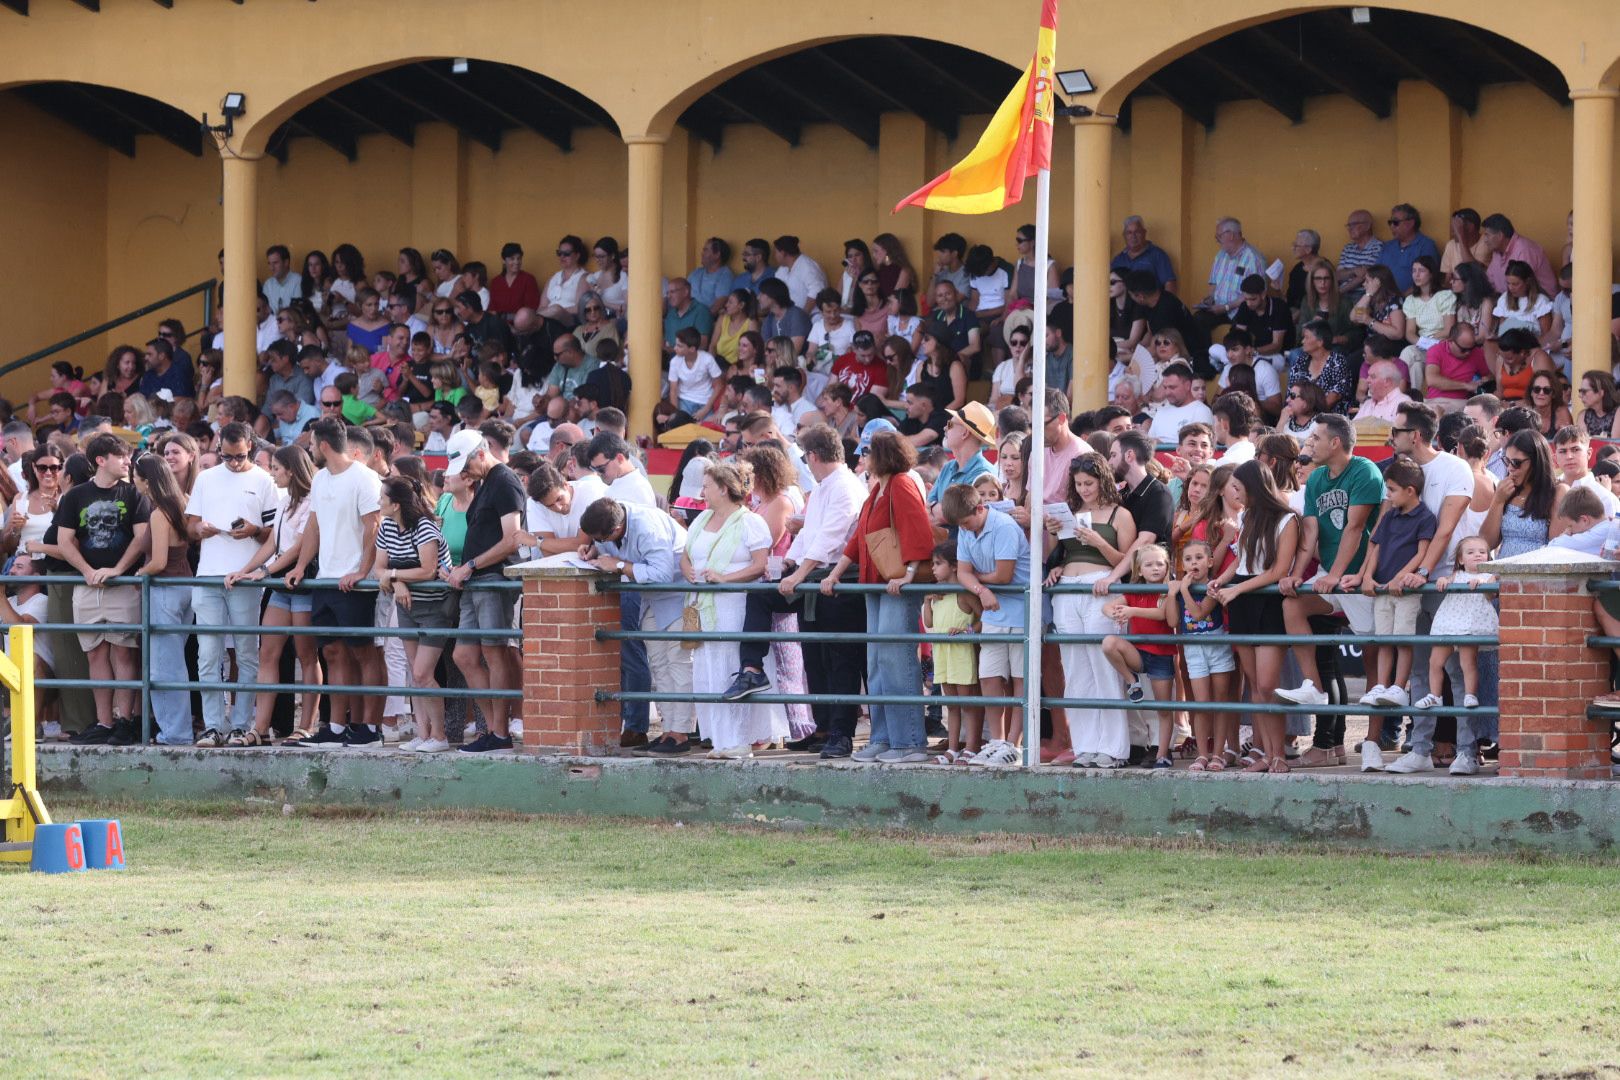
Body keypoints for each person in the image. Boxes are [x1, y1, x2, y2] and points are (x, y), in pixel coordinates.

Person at [719, 426, 867, 758]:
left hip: (837, 582)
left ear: (813, 456)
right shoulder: (825, 486)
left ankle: (841, 732)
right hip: (812, 577)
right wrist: (788, 563)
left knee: (839, 658)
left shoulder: (844, 487)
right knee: (814, 654)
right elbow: (811, 533)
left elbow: (831, 535)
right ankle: (755, 672)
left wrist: (797, 571)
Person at [820, 431, 934, 762]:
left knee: (895, 660)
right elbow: (859, 538)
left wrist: (910, 573)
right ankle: (884, 737)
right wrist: (836, 573)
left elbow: (918, 529)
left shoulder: (899, 484)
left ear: (881, 455)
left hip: (895, 583)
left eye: (868, 452)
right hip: (877, 584)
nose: (863, 458)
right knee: (877, 664)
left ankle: (910, 741)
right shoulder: (877, 490)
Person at [283, 419, 382, 747]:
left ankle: (370, 728)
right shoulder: (321, 479)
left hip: (354, 584)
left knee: (364, 654)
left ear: (323, 445)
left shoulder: (365, 478)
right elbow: (314, 526)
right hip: (325, 580)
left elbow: (373, 527)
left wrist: (362, 571)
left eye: (311, 445)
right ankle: (337, 727)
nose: (309, 450)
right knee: (334, 653)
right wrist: (300, 566)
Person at [1275, 416, 1383, 717]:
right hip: (1332, 576)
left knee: (1374, 661)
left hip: (1362, 576)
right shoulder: (1317, 479)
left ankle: (1374, 741)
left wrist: (1335, 575)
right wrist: (1296, 575)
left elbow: (1355, 527)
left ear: (1335, 442)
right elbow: (1309, 533)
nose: (1310, 444)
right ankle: (1314, 687)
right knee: (1292, 605)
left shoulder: (1365, 470)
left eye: (1316, 438)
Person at [677, 460, 782, 759]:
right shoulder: (700, 519)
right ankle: (720, 739)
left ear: (723, 489)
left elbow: (760, 565)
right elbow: (685, 555)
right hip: (699, 605)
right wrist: (688, 571)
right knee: (707, 668)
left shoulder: (750, 522)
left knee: (730, 667)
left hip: (733, 605)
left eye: (707, 486)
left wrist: (725, 578)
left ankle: (739, 738)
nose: (703, 491)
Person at [184, 422, 279, 747]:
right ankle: (213, 724)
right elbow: (191, 525)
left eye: (239, 457)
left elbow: (273, 534)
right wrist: (202, 530)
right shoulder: (206, 478)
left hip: (246, 574)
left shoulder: (264, 480)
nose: (234, 462)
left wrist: (253, 530)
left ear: (250, 447)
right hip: (209, 572)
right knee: (208, 654)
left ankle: (241, 723)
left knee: (246, 652)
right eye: (227, 456)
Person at [578, 496, 695, 752]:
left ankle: (682, 733)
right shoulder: (612, 517)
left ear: (616, 529)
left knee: (679, 663)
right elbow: (615, 549)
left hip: (680, 597)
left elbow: (662, 574)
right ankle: (668, 731)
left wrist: (619, 565)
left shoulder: (648, 526)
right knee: (660, 664)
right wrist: (596, 550)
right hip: (652, 600)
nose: (599, 543)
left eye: (601, 539)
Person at [1208, 460, 1300, 772]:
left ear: (1253, 486)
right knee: (1254, 686)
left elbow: (1277, 570)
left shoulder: (1287, 519)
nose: (1234, 493)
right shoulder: (1247, 517)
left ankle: (1279, 755)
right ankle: (1266, 753)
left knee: (1267, 685)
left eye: (1238, 486)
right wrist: (1222, 581)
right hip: (1242, 598)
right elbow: (1241, 559)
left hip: (1266, 601)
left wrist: (1237, 589)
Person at [59, 434, 150, 746]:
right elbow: (64, 540)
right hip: (86, 588)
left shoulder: (134, 494)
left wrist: (118, 570)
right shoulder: (75, 497)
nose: (128, 461)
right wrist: (87, 571)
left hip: (123, 587)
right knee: (95, 653)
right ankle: (104, 722)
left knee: (124, 652)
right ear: (101, 460)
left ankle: (125, 721)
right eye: (121, 456)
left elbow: (142, 538)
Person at [440, 429, 525, 754]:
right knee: (464, 655)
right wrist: (463, 568)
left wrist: (470, 565)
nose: (464, 475)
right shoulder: (490, 482)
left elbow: (511, 539)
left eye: (465, 468)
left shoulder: (504, 481)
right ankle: (493, 729)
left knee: (494, 651)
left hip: (493, 580)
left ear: (480, 454)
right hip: (477, 580)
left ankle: (499, 733)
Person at [1050, 451, 1137, 767]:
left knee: (1104, 666)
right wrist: (1054, 559)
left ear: (1103, 481)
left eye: (1090, 483)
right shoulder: (1070, 512)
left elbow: (1126, 563)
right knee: (1075, 669)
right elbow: (1057, 555)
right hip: (1067, 589)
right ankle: (1085, 745)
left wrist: (1098, 542)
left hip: (1102, 586)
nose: (1085, 489)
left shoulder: (1120, 515)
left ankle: (1113, 749)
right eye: (1079, 484)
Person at [942, 483, 1029, 767]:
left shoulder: (1003, 527)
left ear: (980, 509)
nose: (964, 530)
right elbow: (965, 574)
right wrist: (981, 588)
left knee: (1019, 680)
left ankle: (1013, 746)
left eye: (967, 523)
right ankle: (997, 741)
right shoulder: (967, 530)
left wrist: (977, 580)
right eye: (960, 526)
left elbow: (1003, 575)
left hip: (1020, 612)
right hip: (994, 613)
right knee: (990, 677)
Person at [1344, 456, 1435, 726]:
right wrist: (1368, 576)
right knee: (1383, 639)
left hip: (1404, 591)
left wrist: (1400, 578)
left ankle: (1399, 686)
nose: (1388, 495)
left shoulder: (1426, 517)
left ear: (1410, 490)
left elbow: (1422, 552)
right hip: (1382, 589)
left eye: (1392, 489)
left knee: (1403, 639)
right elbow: (1377, 546)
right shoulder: (1390, 516)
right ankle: (1382, 686)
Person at [373, 476, 452, 753]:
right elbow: (378, 568)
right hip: (407, 605)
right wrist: (398, 582)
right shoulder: (387, 528)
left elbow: (428, 570)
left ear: (395, 504)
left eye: (382, 497)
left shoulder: (424, 527)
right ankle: (423, 732)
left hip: (434, 608)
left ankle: (439, 735)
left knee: (422, 672)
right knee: (413, 672)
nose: (378, 501)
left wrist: (394, 575)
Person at [131, 452, 194, 747]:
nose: (133, 481)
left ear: (146, 480)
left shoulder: (159, 513)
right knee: (174, 661)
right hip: (184, 587)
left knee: (164, 667)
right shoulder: (180, 502)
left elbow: (157, 561)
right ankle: (176, 729)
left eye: (135, 476)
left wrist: (139, 573)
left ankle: (175, 733)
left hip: (165, 589)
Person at [1413, 535, 1497, 741]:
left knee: (1467, 662)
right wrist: (1442, 580)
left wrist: (1481, 583)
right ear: (1460, 559)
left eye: (1482, 552)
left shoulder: (1490, 576)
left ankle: (1470, 694)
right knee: (1435, 661)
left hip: (1470, 623)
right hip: (1450, 622)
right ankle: (1435, 695)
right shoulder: (1456, 574)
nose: (1477, 555)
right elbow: (1447, 581)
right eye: (1470, 552)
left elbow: (1490, 595)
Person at [1100, 544, 1177, 768]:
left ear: (1167, 567)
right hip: (1139, 653)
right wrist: (1115, 612)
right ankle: (1132, 681)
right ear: (1140, 570)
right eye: (1149, 564)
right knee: (1109, 643)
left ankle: (1163, 754)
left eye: (1160, 564)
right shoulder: (1134, 591)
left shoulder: (1166, 589)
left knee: (1163, 708)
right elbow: (1108, 606)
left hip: (1161, 654)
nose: (1155, 568)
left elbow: (1163, 615)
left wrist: (1132, 611)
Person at [1175, 539, 1236, 772]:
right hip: (1193, 648)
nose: (1194, 563)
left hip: (1217, 645)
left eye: (1199, 558)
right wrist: (1175, 593)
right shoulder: (1180, 588)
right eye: (1188, 559)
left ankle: (1218, 754)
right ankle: (1202, 754)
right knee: (1201, 704)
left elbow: (1199, 614)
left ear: (1210, 562)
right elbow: (1172, 619)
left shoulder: (1213, 586)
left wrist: (1183, 591)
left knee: (1221, 701)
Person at [922, 543, 982, 764]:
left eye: (938, 564)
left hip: (961, 654)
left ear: (955, 566)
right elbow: (928, 622)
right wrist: (927, 601)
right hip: (943, 655)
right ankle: (953, 747)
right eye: (932, 565)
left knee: (968, 703)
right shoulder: (937, 596)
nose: (934, 569)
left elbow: (984, 618)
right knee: (952, 704)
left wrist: (967, 631)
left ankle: (972, 746)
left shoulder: (963, 595)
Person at [1288, 319, 1357, 415]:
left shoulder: (1337, 362)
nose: (1302, 341)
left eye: (1306, 338)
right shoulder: (1300, 361)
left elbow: (1334, 396)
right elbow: (1292, 392)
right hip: (1302, 414)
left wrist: (1309, 417)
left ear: (1320, 342)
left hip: (1332, 417)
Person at [1481, 213, 1556, 296]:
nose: (1485, 240)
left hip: (1537, 303)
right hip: (1509, 301)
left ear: (1500, 236)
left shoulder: (1524, 250)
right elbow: (1489, 282)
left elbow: (1523, 289)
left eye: (1487, 235)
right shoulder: (1497, 251)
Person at [1424, 323, 1489, 415]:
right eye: (1463, 349)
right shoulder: (1436, 350)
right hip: (1434, 401)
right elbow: (1432, 380)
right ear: (1450, 341)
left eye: (1471, 348)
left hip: (1460, 403)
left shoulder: (1477, 353)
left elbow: (1490, 375)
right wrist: (1466, 385)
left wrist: (1485, 380)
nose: (1468, 353)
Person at [1147, 362, 1214, 443]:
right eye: (1165, 387)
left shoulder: (1201, 411)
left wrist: (1163, 445)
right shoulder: (1161, 411)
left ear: (1188, 385)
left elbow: (1199, 448)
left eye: (1172, 387)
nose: (1167, 392)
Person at [1111, 215, 1177, 292]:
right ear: (1124, 236)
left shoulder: (1157, 255)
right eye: (1129, 233)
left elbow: (1170, 284)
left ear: (1144, 233)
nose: (1133, 236)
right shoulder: (1118, 259)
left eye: (1137, 232)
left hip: (1150, 303)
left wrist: (1165, 303)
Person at [1335, 208, 1384, 293]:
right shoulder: (1348, 248)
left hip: (1363, 294)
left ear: (1367, 226)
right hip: (1342, 295)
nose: (1349, 228)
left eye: (1353, 224)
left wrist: (1339, 292)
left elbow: (1363, 276)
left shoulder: (1378, 247)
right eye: (1348, 225)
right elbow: (1337, 275)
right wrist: (1354, 270)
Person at [1580, 371, 1620, 440]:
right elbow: (1582, 444)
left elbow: (1614, 446)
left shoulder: (1618, 412)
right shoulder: (1583, 416)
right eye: (1580, 391)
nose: (1580, 395)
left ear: (1600, 393)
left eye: (1584, 391)